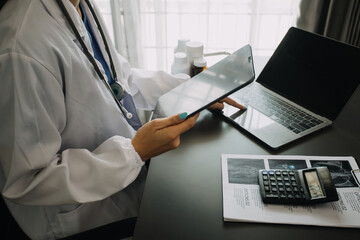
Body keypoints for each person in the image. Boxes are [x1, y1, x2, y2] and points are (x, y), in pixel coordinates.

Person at [0, 0, 244, 239]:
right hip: (82, 217)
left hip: (125, 174)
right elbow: (29, 180)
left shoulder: (80, 5)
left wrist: (192, 89)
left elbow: (117, 80)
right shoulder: (21, 47)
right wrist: (134, 151)